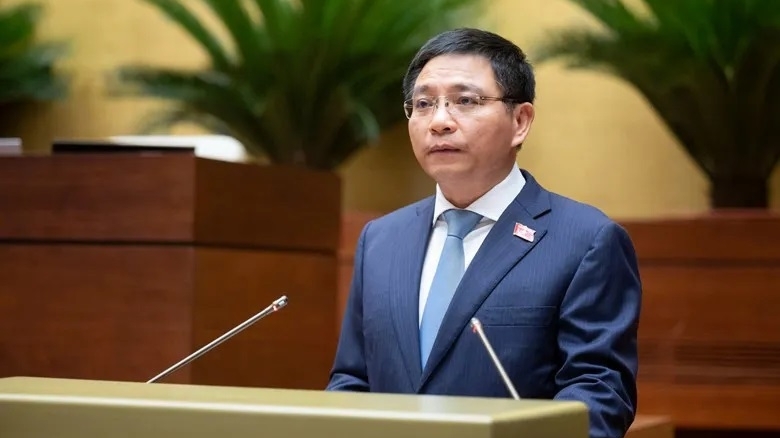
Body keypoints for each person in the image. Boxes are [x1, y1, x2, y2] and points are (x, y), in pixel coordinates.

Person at [326, 27, 642, 438]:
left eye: (465, 101)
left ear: (520, 121)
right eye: (423, 104)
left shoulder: (586, 241)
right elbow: (352, 381)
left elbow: (598, 395)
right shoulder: (381, 240)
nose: (439, 121)